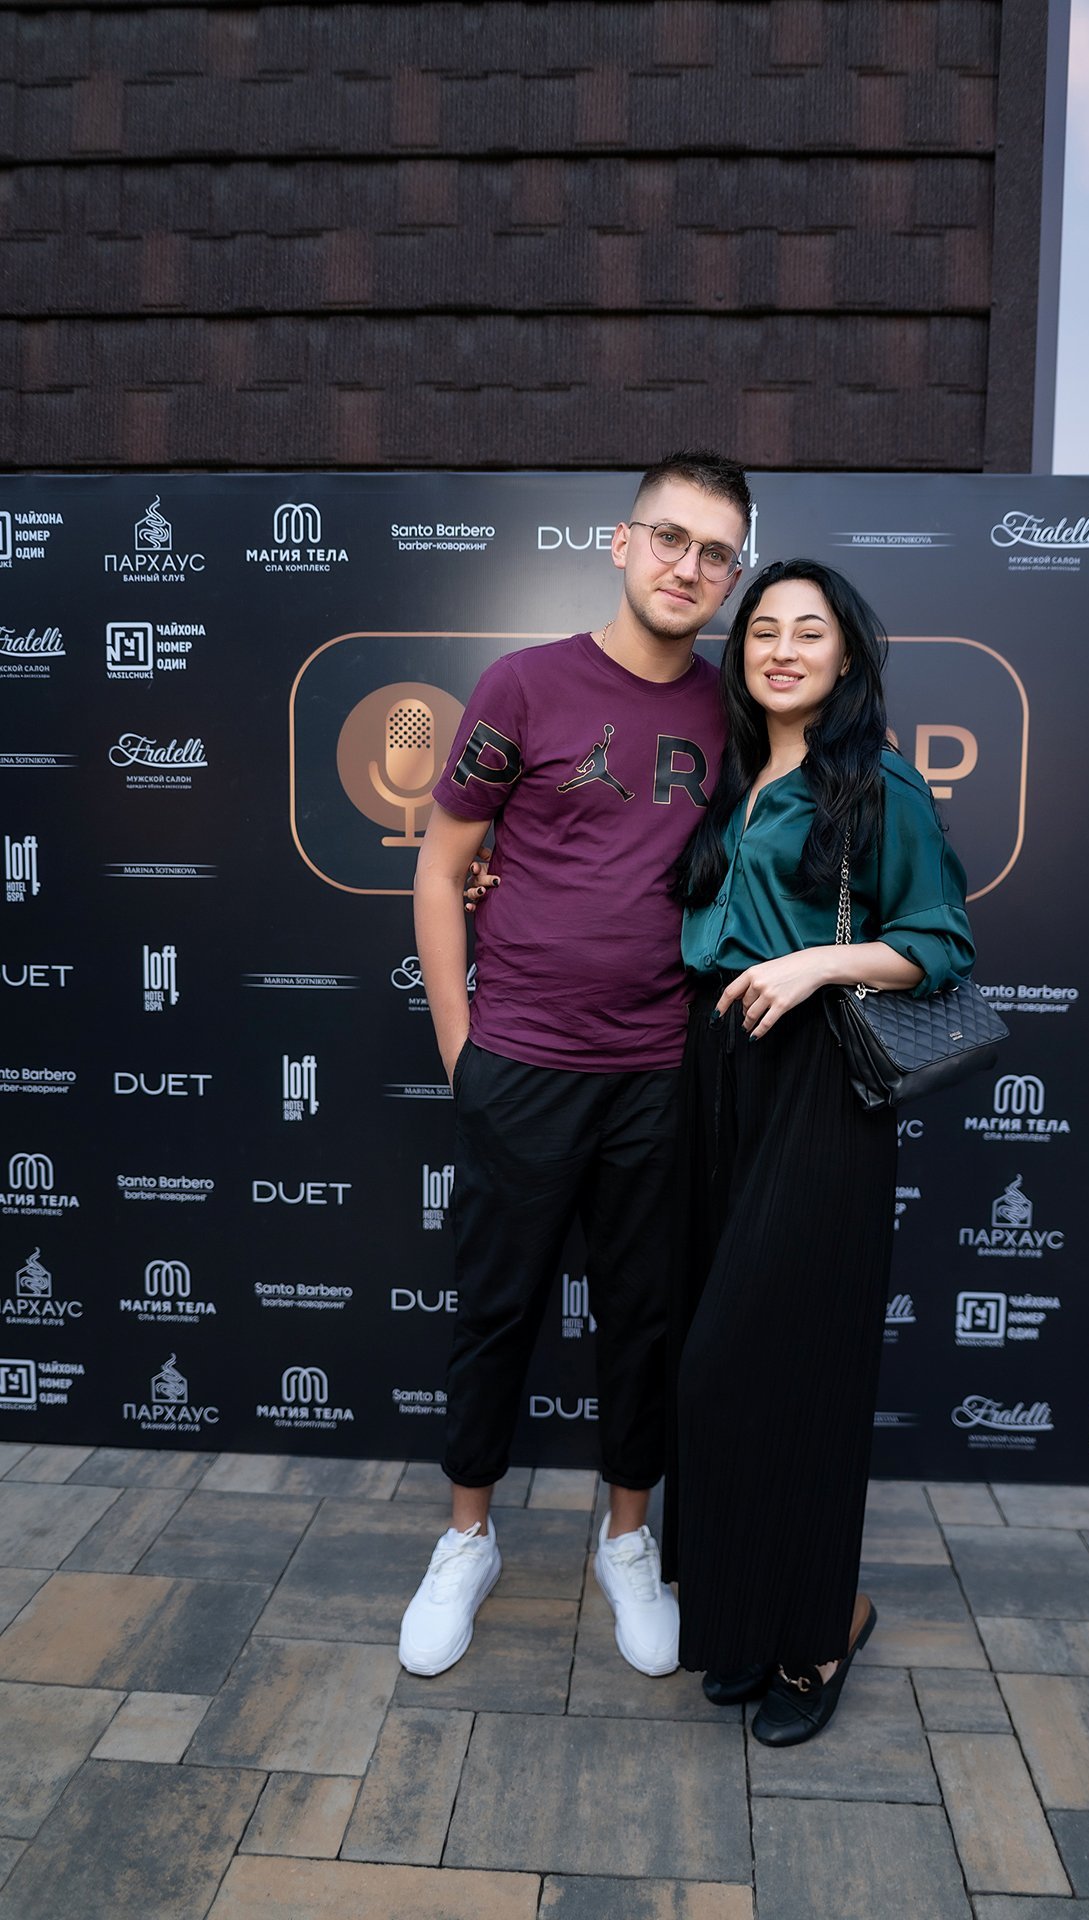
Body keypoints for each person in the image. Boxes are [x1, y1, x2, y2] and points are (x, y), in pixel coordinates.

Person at [399, 450, 753, 1680]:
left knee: (644, 1321)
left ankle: (626, 1540)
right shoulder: (524, 686)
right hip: (522, 1066)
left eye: (715, 553)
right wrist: (462, 1053)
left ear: (732, 576)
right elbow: (442, 868)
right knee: (494, 1310)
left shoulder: (735, 714)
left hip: (663, 1074)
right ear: (620, 542)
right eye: (669, 538)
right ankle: (467, 1537)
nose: (687, 567)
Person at [665, 557, 975, 1746]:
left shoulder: (875, 782)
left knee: (775, 1363)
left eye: (807, 631)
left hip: (816, 1080)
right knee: (725, 1364)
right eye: (761, 631)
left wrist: (811, 964)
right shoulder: (739, 776)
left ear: (845, 657)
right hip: (718, 1073)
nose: (781, 649)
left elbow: (938, 942)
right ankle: (752, 1617)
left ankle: (824, 1625)